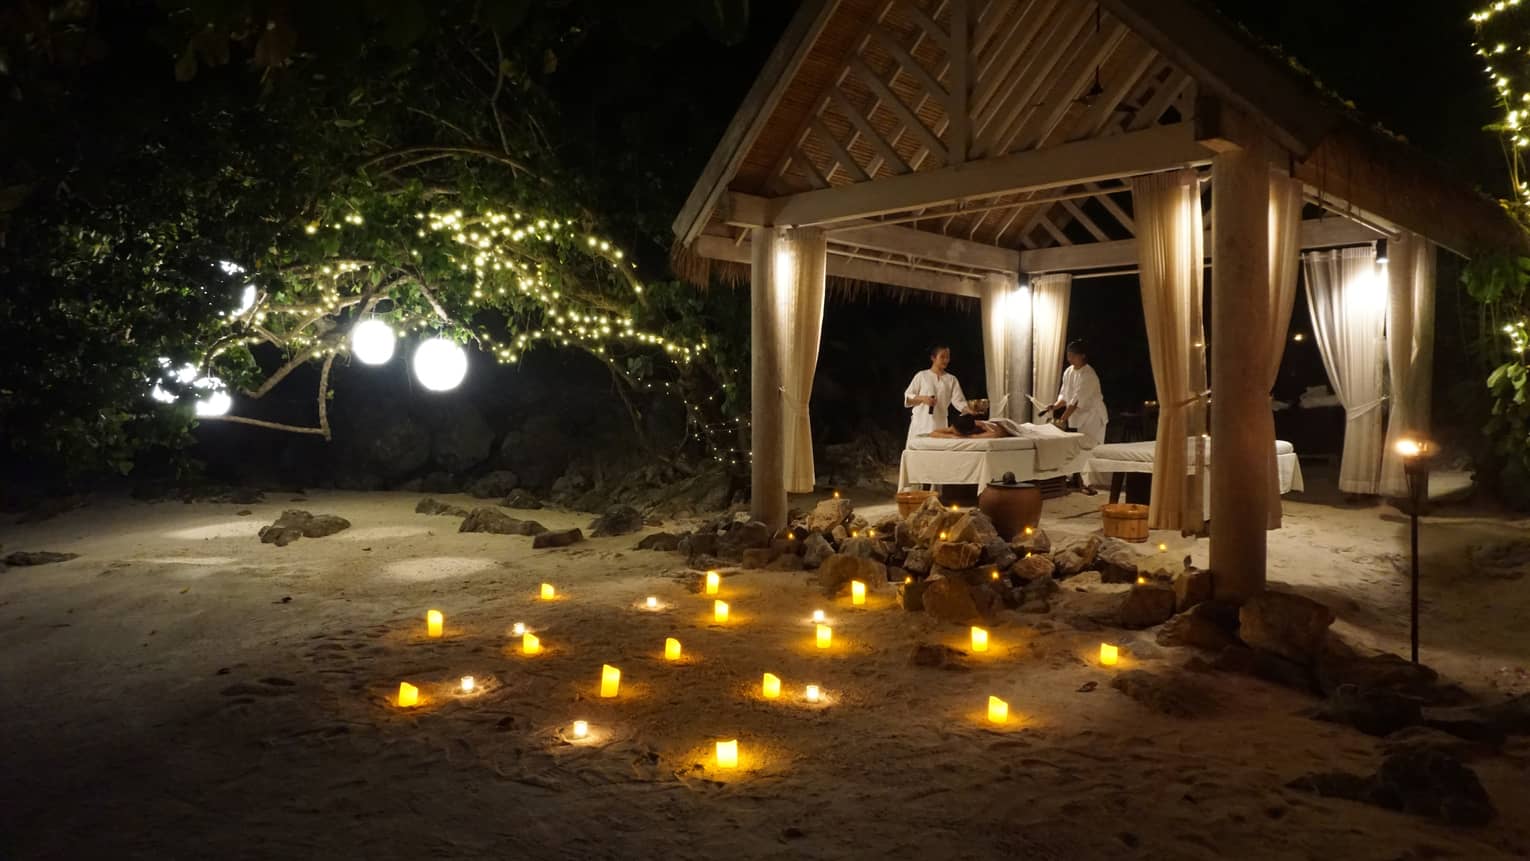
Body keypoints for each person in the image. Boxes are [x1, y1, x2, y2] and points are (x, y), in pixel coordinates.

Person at [1048, 340, 1107, 494]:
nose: (1070, 358)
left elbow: (1076, 402)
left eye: (1073, 355)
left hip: (1092, 417)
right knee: (1077, 448)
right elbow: (1065, 396)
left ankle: (1089, 483)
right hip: (1077, 417)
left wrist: (1061, 420)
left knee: (1089, 449)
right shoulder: (1069, 372)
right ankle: (1076, 479)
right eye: (1069, 355)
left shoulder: (1089, 375)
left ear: (1082, 356)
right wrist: (1055, 406)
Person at [903, 345, 969, 444]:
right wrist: (922, 398)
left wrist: (969, 410)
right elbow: (908, 396)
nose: (946, 360)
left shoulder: (951, 379)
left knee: (937, 454)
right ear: (933, 358)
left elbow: (959, 401)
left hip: (940, 425)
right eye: (942, 357)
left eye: (948, 357)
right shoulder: (922, 376)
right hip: (921, 423)